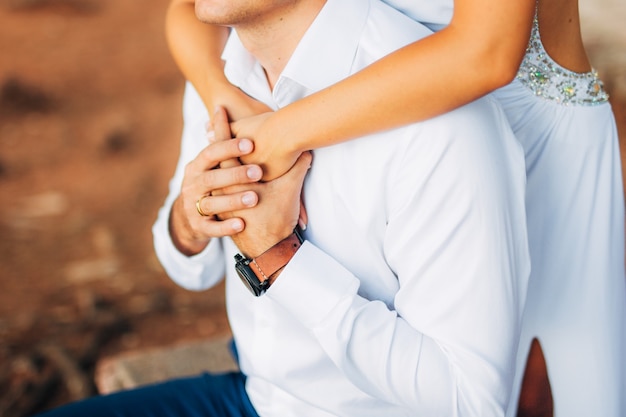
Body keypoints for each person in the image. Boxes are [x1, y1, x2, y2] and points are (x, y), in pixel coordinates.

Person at [37, 0, 530, 415]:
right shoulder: (223, 73)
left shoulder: (444, 129)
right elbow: (188, 268)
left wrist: (279, 259)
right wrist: (190, 219)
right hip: (254, 398)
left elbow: (472, 402)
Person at [166, 0, 626, 415]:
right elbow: (189, 11)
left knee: (553, 387)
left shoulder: (457, 134)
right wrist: (217, 88)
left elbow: (486, 51)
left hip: (523, 137)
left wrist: (271, 138)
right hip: (349, 95)